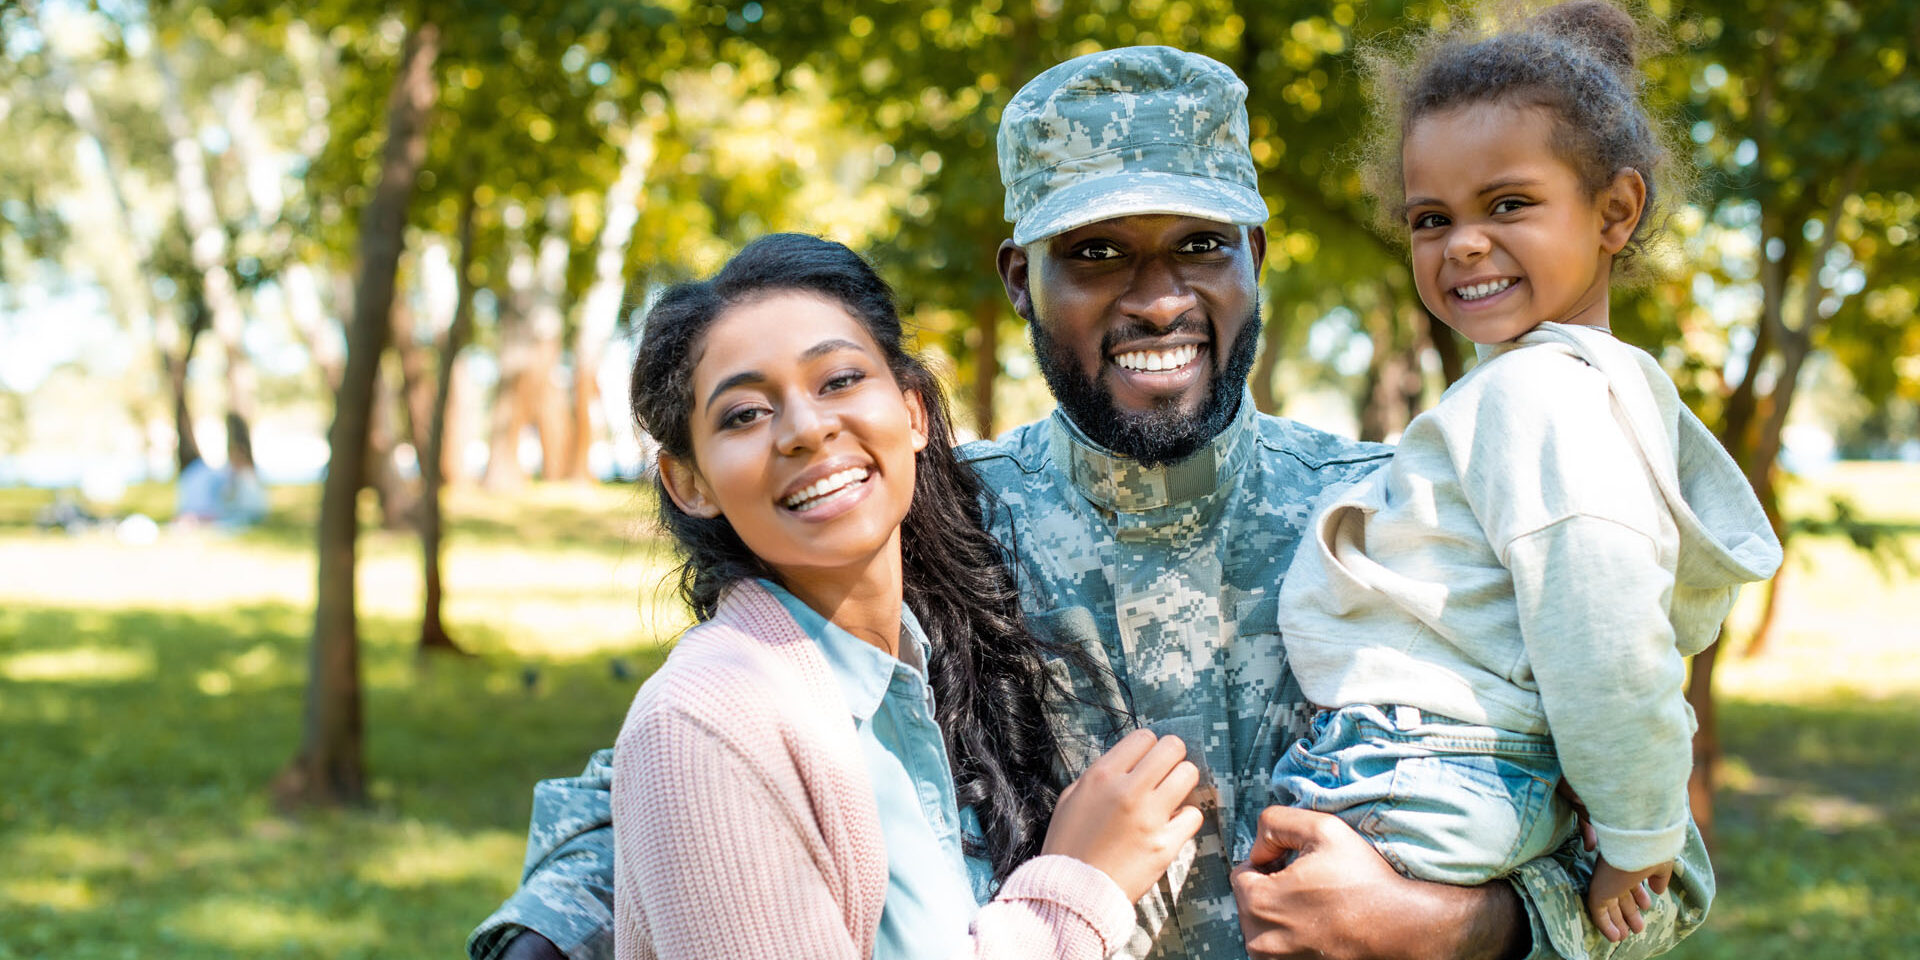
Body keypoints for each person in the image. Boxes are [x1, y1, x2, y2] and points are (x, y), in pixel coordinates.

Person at [470, 46, 1713, 960]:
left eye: (1198, 246)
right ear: (1022, 278)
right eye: (1097, 255)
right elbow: (690, 762)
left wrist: (1454, 926)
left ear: (1257, 258)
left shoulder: (1392, 518)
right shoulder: (935, 525)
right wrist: (543, 933)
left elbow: (1664, 870)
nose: (1156, 296)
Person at [1267, 0, 1781, 947]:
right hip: (1466, 775)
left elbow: (1605, 634)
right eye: (1433, 218)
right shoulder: (1567, 391)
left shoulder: (1538, 396)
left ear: (1615, 211)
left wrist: (1637, 833)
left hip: (1428, 773)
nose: (1462, 242)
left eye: (1508, 204)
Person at [611, 232, 1207, 959]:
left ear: (915, 412)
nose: (807, 429)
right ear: (690, 482)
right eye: (744, 414)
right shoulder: (705, 723)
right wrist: (1077, 888)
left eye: (838, 381)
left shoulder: (923, 665)